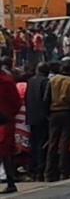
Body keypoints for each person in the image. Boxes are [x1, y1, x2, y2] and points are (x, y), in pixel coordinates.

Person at [44, 60, 70, 182]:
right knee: (65, 143)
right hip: (67, 112)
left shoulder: (52, 80)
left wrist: (48, 113)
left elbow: (46, 99)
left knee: (52, 142)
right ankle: (63, 171)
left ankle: (49, 172)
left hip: (54, 112)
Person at [25, 62, 50, 182]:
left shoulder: (30, 81)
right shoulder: (45, 82)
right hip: (42, 117)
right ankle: (40, 169)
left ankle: (32, 168)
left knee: (33, 143)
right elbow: (46, 99)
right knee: (41, 144)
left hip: (31, 116)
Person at [0, 64, 21, 194]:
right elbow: (16, 102)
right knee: (5, 153)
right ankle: (10, 180)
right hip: (6, 118)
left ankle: (10, 181)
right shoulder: (8, 81)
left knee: (4, 152)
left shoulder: (5, 82)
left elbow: (15, 102)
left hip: (4, 119)